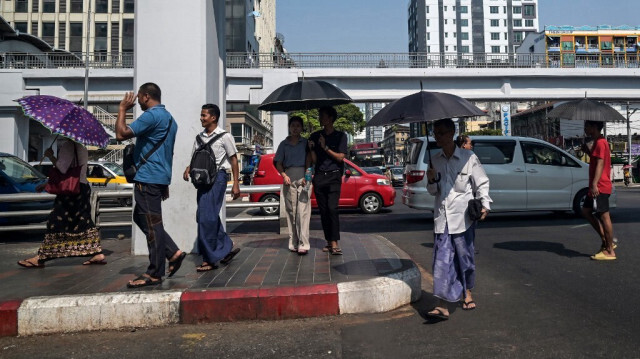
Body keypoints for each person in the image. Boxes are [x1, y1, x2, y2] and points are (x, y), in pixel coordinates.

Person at [115, 83, 186, 288]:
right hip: (159, 176)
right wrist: (165, 180)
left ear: (146, 96)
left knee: (152, 224)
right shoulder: (171, 120)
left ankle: (154, 272)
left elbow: (121, 134)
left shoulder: (151, 116)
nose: (136, 101)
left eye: (138, 97)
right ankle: (173, 253)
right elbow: (168, 152)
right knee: (141, 217)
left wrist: (122, 109)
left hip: (147, 178)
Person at [425, 119, 491, 320]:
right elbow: (432, 191)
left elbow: (481, 182)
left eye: (442, 133)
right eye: (435, 133)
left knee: (465, 258)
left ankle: (467, 290)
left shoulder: (468, 157)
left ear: (452, 133)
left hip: (463, 218)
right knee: (442, 261)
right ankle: (442, 304)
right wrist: (430, 179)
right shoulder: (434, 160)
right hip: (442, 218)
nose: (438, 136)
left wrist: (485, 204)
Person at [18, 139, 105, 268]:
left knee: (55, 222)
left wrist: (50, 156)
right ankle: (97, 252)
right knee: (83, 221)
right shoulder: (81, 146)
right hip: (82, 187)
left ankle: (41, 257)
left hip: (70, 192)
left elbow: (62, 169)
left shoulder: (68, 145)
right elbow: (74, 171)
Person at [183, 104, 241, 271]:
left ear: (213, 117)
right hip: (201, 179)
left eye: (204, 116)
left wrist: (236, 183)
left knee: (206, 217)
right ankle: (225, 246)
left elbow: (234, 159)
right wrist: (188, 168)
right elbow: (195, 157)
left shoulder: (225, 136)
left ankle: (209, 259)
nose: (201, 118)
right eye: (201, 115)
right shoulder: (199, 137)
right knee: (204, 215)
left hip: (218, 178)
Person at [308, 106, 348, 255]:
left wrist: (325, 147)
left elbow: (340, 157)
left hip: (334, 176)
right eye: (319, 115)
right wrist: (312, 148)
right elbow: (313, 161)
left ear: (330, 118)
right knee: (323, 211)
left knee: (332, 209)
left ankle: (335, 242)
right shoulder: (315, 135)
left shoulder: (340, 136)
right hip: (319, 176)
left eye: (322, 115)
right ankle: (328, 242)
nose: (320, 118)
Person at [274, 116, 313, 255]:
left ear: (302, 128)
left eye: (298, 125)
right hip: (289, 177)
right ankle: (293, 241)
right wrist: (284, 175)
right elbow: (278, 162)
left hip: (303, 177)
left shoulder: (306, 143)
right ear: (289, 128)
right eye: (293, 126)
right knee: (291, 211)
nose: (295, 128)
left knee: (303, 212)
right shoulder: (283, 144)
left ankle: (304, 243)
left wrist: (307, 175)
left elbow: (310, 160)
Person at [581, 120, 615, 260]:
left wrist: (595, 184)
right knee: (586, 211)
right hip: (596, 185)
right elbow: (596, 161)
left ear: (594, 127)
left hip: (600, 185)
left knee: (604, 216)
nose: (585, 129)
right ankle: (606, 241)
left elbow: (600, 164)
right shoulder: (597, 142)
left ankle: (610, 250)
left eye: (587, 126)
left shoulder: (601, 142)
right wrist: (587, 151)